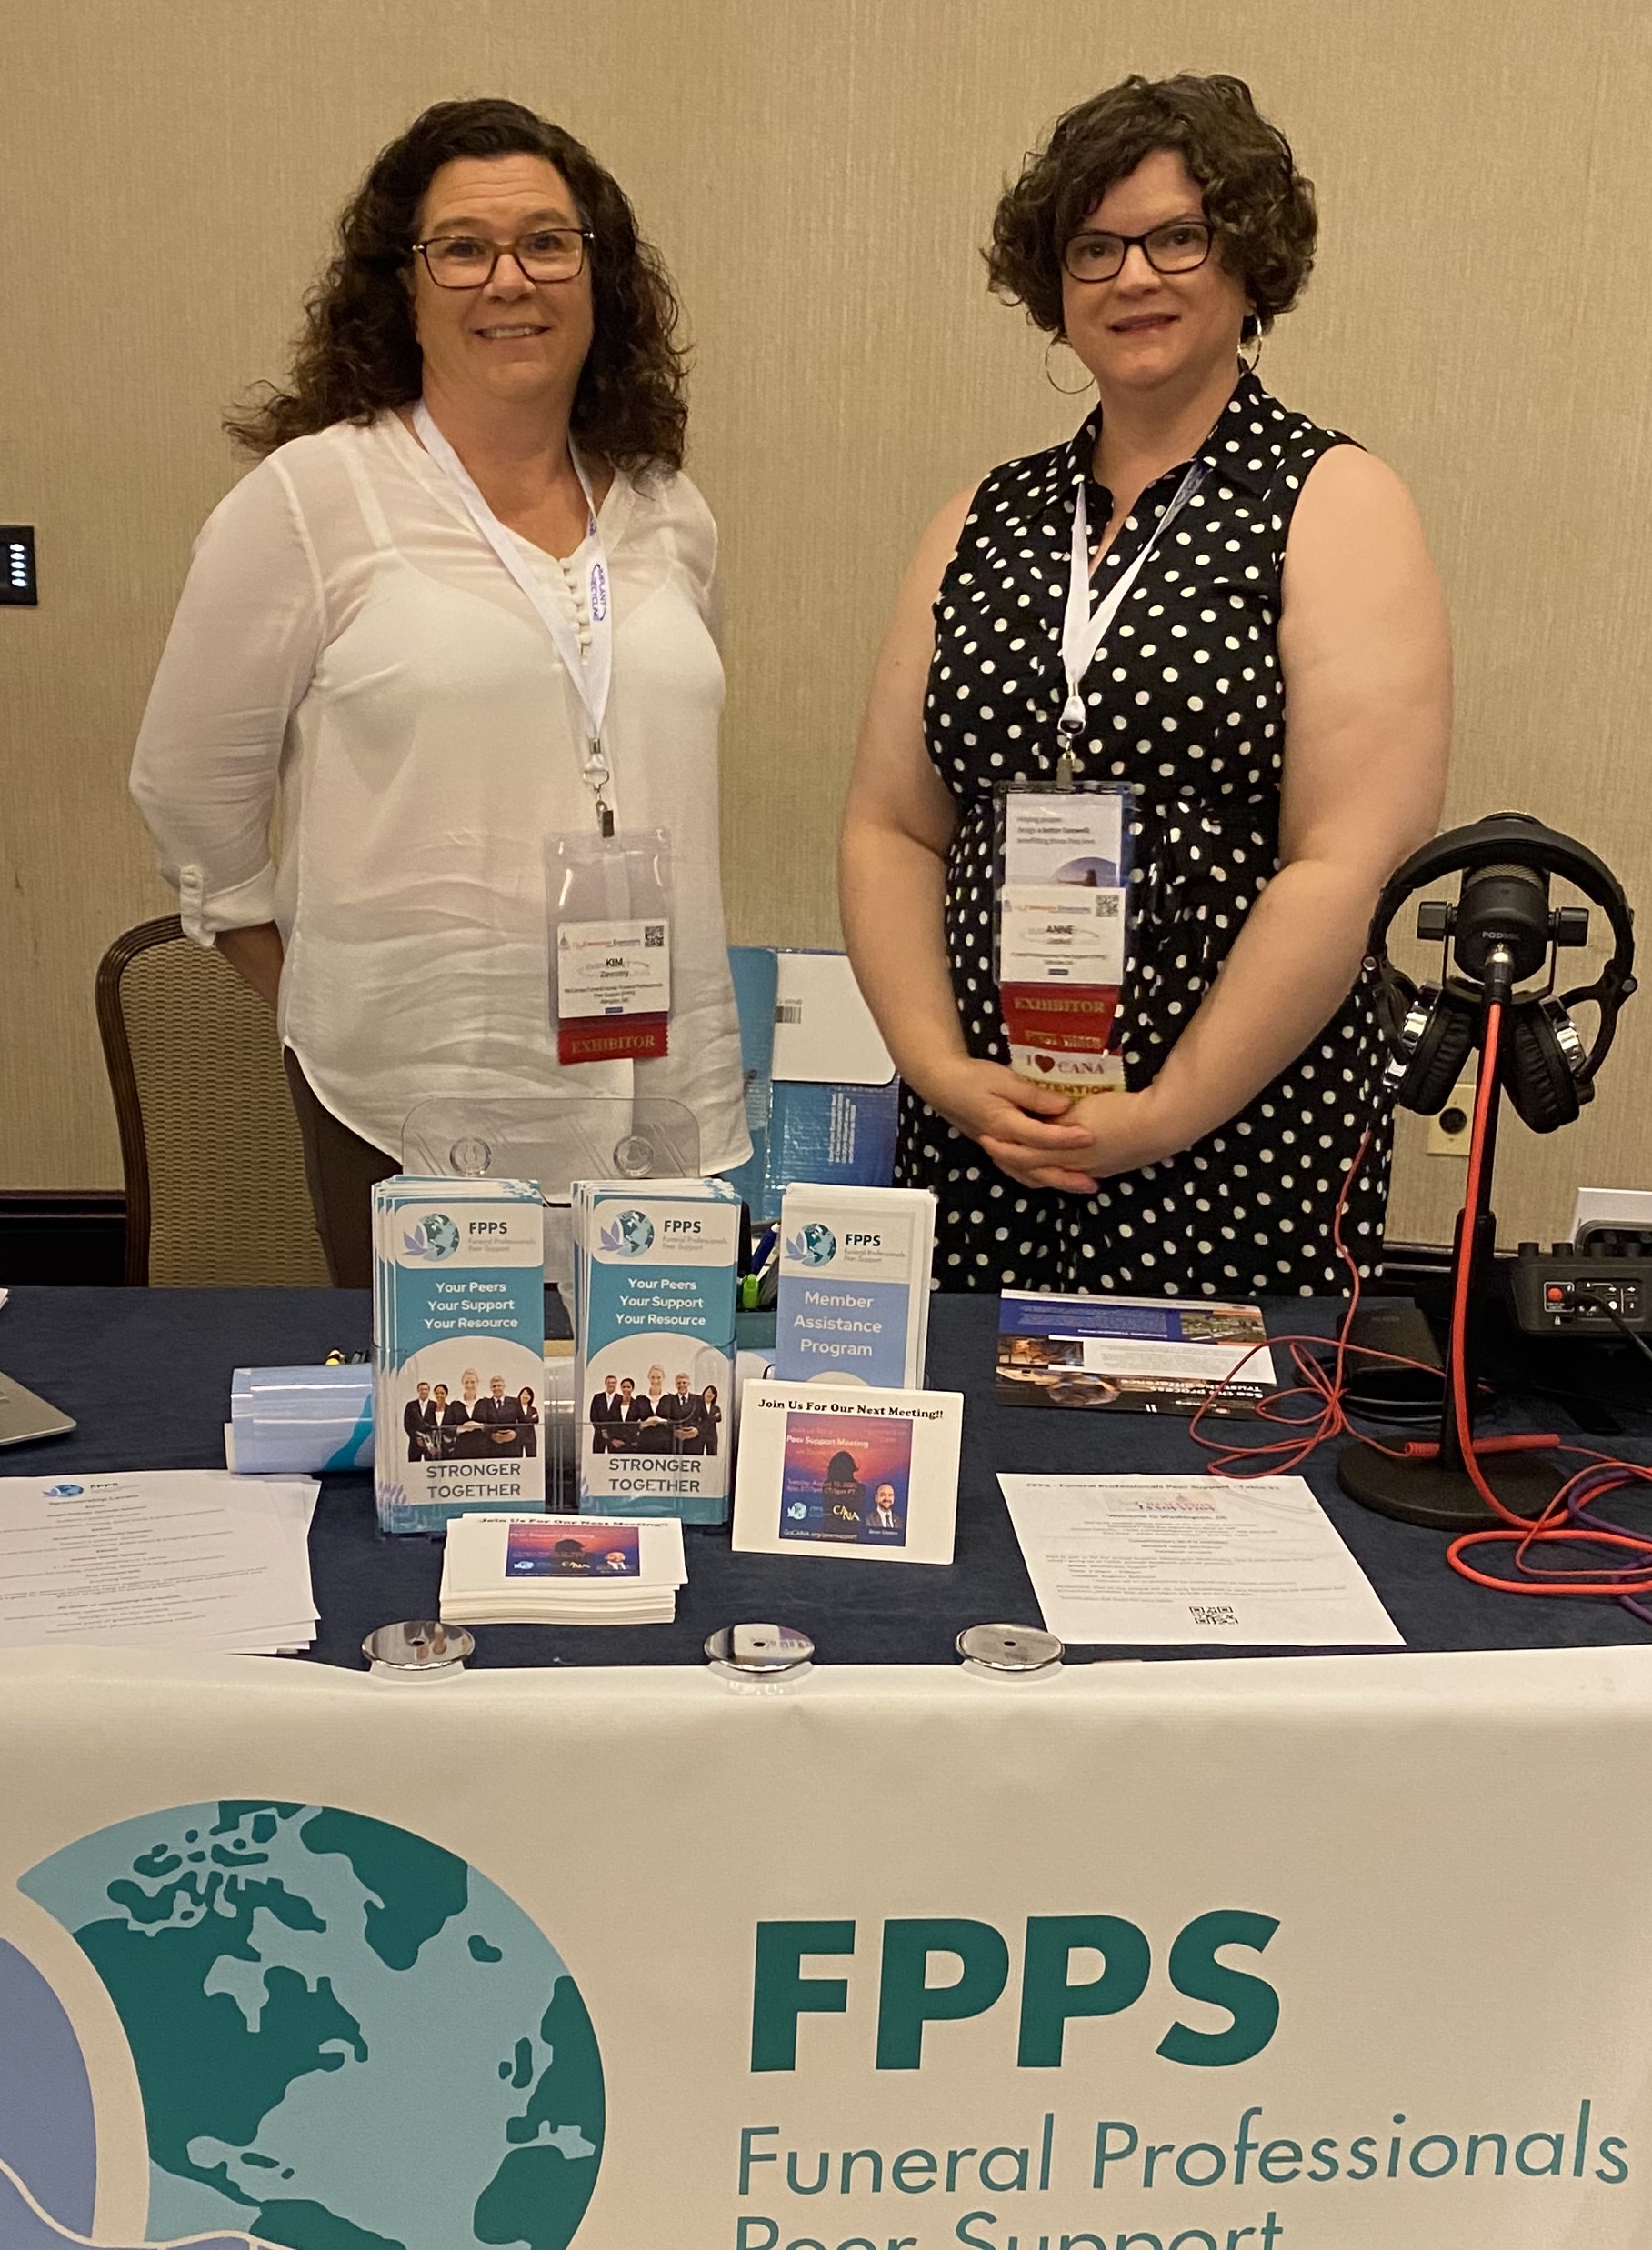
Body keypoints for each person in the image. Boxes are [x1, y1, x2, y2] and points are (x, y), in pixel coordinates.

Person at [839, 75, 1450, 1300]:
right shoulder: (984, 516)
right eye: (1095, 247)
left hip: (1237, 1137)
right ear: (1052, 285)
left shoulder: (1332, 501)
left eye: (1178, 237)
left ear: (1247, 261)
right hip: (989, 1129)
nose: (1134, 277)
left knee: (1208, 1478)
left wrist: (1163, 1111)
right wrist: (940, 1070)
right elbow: (892, 825)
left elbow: (1343, 858)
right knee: (982, 1469)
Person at [129, 97, 748, 1287]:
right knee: (461, 1447)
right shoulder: (314, 500)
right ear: (400, 286)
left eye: (547, 242)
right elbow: (189, 794)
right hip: (414, 1111)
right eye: (463, 247)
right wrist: (318, 990)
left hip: (662, 1098)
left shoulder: (669, 509)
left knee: (646, 1447)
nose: (508, 278)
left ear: (595, 274)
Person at [402, 1379, 438, 1461]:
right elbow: (407, 1424)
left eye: (426, 1389)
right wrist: (416, 1437)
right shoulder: (411, 1405)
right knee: (413, 1465)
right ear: (418, 1391)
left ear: (429, 1391)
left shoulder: (434, 1405)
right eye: (421, 1389)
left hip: (430, 1442)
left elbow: (436, 1423)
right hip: (415, 1442)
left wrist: (430, 1438)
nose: (423, 1391)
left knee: (430, 1465)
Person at [589, 1373, 619, 1454]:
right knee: (597, 1456)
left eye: (613, 1382)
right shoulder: (597, 1397)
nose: (611, 1384)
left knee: (613, 1457)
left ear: (616, 1384)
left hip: (614, 1435)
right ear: (605, 1383)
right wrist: (602, 1430)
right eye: (609, 1382)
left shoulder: (620, 1398)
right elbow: (593, 1415)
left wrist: (611, 1432)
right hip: (599, 1433)